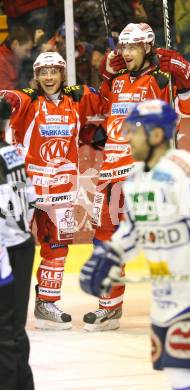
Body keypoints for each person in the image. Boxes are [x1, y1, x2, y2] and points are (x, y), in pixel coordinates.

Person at [79, 99, 190, 390]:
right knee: (182, 375)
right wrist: (111, 254)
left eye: (135, 130)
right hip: (166, 293)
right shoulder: (135, 177)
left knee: (185, 377)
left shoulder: (188, 169)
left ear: (157, 135)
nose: (127, 137)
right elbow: (135, 230)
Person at [83, 22, 190, 332]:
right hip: (112, 170)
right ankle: (108, 308)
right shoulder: (118, 80)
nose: (126, 53)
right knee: (106, 239)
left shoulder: (162, 79)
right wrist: (105, 77)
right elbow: (100, 109)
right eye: (124, 47)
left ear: (148, 47)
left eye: (133, 47)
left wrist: (186, 78)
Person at [0, 51, 108, 330]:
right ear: (36, 76)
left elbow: (108, 100)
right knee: (12, 247)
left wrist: (109, 70)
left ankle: (47, 304)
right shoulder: (28, 99)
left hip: (63, 189)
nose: (49, 77)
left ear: (62, 74)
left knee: (58, 247)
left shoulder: (75, 99)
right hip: (27, 190)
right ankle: (8, 307)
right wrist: (7, 98)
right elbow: (10, 99)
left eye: (54, 71)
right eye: (43, 72)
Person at [0, 97, 36, 390]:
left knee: (5, 333)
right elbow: (30, 198)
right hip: (20, 244)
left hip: (7, 251)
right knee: (12, 331)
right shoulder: (11, 153)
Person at [0, 26, 33, 90]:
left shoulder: (15, 57)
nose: (28, 55)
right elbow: (6, 94)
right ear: (15, 44)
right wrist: (30, 88)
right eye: (26, 50)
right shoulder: (1, 61)